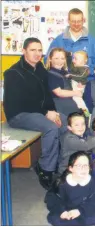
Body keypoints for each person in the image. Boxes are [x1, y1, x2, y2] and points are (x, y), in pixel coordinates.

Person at [3, 37, 67, 190]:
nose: (37, 54)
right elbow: (22, 101)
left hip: (38, 113)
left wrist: (54, 112)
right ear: (24, 51)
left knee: (65, 122)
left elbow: (46, 95)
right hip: (19, 115)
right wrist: (46, 113)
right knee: (51, 127)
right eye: (33, 50)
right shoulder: (13, 73)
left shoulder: (40, 69)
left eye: (40, 50)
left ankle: (62, 165)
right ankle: (46, 170)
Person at [45, 151, 95, 226]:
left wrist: (80, 211)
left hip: (82, 210)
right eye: (78, 166)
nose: (83, 169)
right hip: (66, 210)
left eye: (86, 165)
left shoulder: (92, 182)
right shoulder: (61, 182)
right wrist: (61, 211)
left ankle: (73, 223)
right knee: (54, 218)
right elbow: (51, 198)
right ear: (71, 168)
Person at [45, 8, 95, 73]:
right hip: (63, 80)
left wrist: (86, 73)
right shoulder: (58, 40)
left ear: (83, 21)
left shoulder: (92, 41)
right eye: (73, 21)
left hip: (86, 81)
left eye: (79, 21)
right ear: (68, 21)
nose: (76, 24)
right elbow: (47, 60)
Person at [46, 47, 80, 116]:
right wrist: (76, 93)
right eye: (56, 58)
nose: (59, 61)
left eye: (62, 58)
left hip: (72, 103)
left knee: (86, 115)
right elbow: (59, 92)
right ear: (50, 59)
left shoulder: (65, 72)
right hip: (60, 107)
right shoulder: (50, 75)